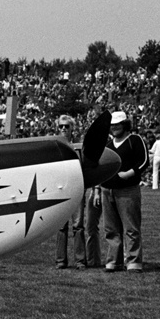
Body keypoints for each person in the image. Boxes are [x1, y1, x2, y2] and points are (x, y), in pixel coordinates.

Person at [101, 110, 147, 272]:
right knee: (111, 229)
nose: (114, 128)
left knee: (131, 227)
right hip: (107, 190)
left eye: (117, 125)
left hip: (128, 190)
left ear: (125, 125)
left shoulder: (134, 140)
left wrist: (129, 174)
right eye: (112, 125)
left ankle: (133, 261)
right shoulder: (108, 145)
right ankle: (114, 261)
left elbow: (144, 161)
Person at [55, 115, 101, 269]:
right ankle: (61, 260)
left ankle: (80, 261)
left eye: (66, 126)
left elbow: (88, 169)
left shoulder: (79, 147)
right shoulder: (54, 146)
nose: (63, 129)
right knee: (61, 227)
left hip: (77, 190)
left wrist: (93, 187)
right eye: (61, 126)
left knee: (78, 226)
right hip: (60, 191)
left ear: (72, 128)